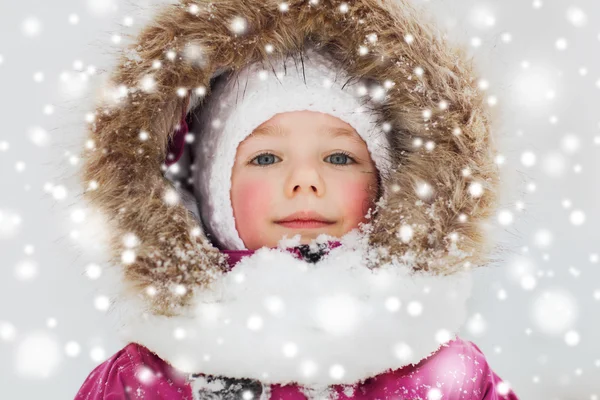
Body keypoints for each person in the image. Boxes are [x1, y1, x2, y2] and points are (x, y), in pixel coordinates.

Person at [75, 0, 519, 399]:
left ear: (391, 186)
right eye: (266, 157)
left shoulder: (444, 373)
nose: (305, 181)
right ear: (209, 193)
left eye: (339, 157)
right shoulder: (144, 379)